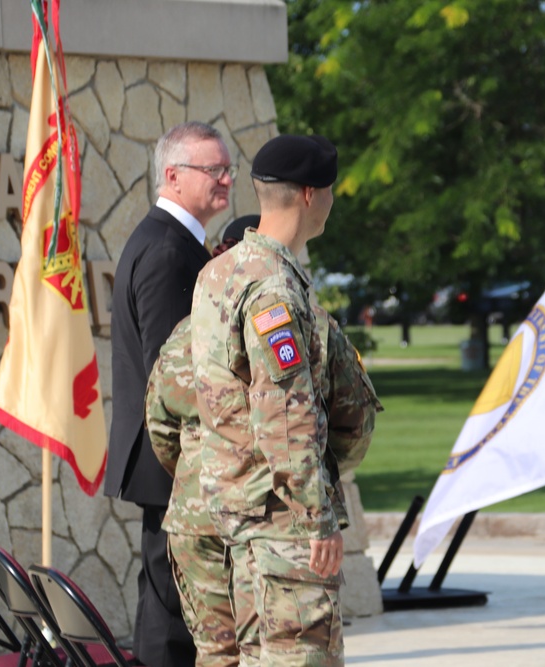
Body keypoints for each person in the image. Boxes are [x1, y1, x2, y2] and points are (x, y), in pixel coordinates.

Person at [145, 217, 381, 666]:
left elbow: (159, 425)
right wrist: (318, 480)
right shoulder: (306, 320)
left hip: (198, 514)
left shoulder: (185, 333)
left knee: (218, 653)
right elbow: (355, 420)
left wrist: (200, 473)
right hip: (272, 513)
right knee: (281, 653)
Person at [190, 134, 349, 666]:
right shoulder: (273, 288)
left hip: (240, 519)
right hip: (283, 525)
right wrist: (316, 516)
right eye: (329, 192)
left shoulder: (219, 271)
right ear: (310, 195)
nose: (330, 202)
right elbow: (285, 416)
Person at [106, 121, 235, 667]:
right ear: (173, 176)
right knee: (171, 610)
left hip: (170, 461)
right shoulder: (166, 250)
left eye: (228, 169)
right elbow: (172, 374)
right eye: (214, 170)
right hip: (172, 462)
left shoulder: (179, 242)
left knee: (169, 595)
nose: (227, 179)